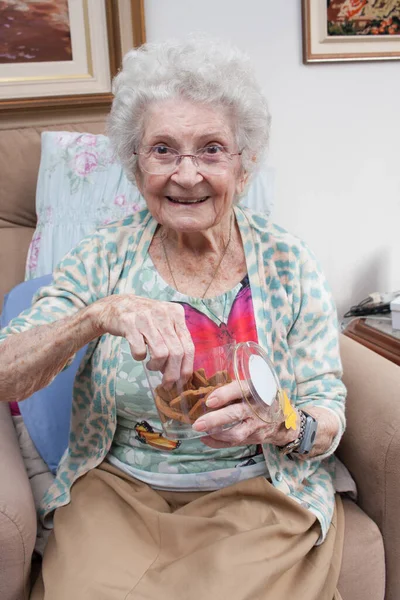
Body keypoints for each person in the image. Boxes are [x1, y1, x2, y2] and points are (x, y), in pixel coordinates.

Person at [0, 37, 346, 600]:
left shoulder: (288, 262)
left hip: (257, 498)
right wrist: (97, 315)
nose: (186, 174)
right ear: (135, 166)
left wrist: (284, 424)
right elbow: (6, 373)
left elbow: (326, 407)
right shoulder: (103, 256)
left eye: (211, 149)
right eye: (162, 150)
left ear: (245, 161)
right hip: (121, 496)